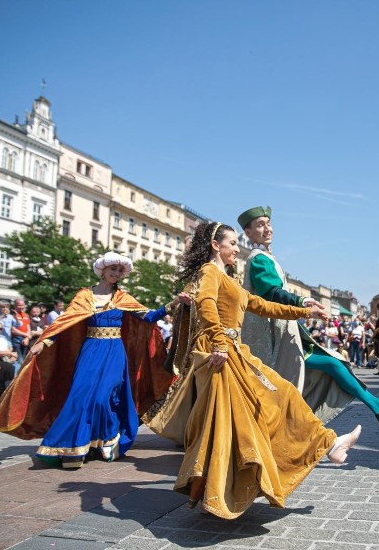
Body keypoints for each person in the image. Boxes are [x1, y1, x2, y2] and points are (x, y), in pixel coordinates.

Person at [143, 221, 362, 519]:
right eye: (232, 243)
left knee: (233, 422)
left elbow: (261, 304)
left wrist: (304, 311)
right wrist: (220, 344)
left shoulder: (229, 279)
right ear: (214, 245)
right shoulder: (210, 272)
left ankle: (214, 489)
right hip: (223, 357)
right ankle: (328, 444)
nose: (236, 248)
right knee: (265, 405)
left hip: (234, 353)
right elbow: (205, 304)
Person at [0, 252, 177, 469]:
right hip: (91, 350)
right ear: (102, 270)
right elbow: (65, 322)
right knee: (81, 395)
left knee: (105, 397)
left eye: (120, 270)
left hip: (114, 352)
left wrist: (172, 304)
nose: (116, 273)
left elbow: (148, 316)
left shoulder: (123, 298)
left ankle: (106, 441)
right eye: (112, 268)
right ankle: (71, 447)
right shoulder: (85, 296)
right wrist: (44, 343)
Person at [236, 206, 379, 423]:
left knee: (332, 366)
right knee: (324, 370)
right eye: (260, 225)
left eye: (268, 223)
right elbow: (273, 293)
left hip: (285, 334)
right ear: (247, 233)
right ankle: (322, 429)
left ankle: (376, 405)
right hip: (277, 340)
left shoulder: (265, 257)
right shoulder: (259, 259)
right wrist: (302, 302)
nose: (268, 229)